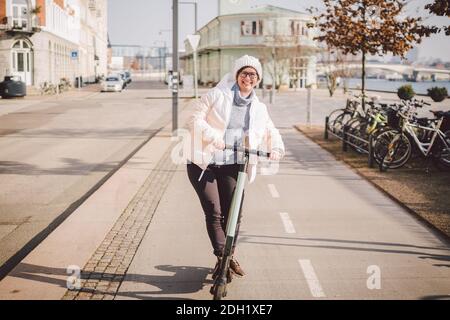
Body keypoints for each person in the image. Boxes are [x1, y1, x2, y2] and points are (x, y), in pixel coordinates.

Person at [186, 55, 285, 281]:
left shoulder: (259, 108)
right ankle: (225, 256)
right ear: (236, 75)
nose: (247, 78)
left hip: (233, 165)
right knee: (214, 210)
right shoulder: (216, 95)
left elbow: (271, 131)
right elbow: (194, 118)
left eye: (252, 74)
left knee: (233, 215)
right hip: (204, 162)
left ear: (257, 79)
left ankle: (227, 257)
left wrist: (276, 148)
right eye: (244, 73)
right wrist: (212, 136)